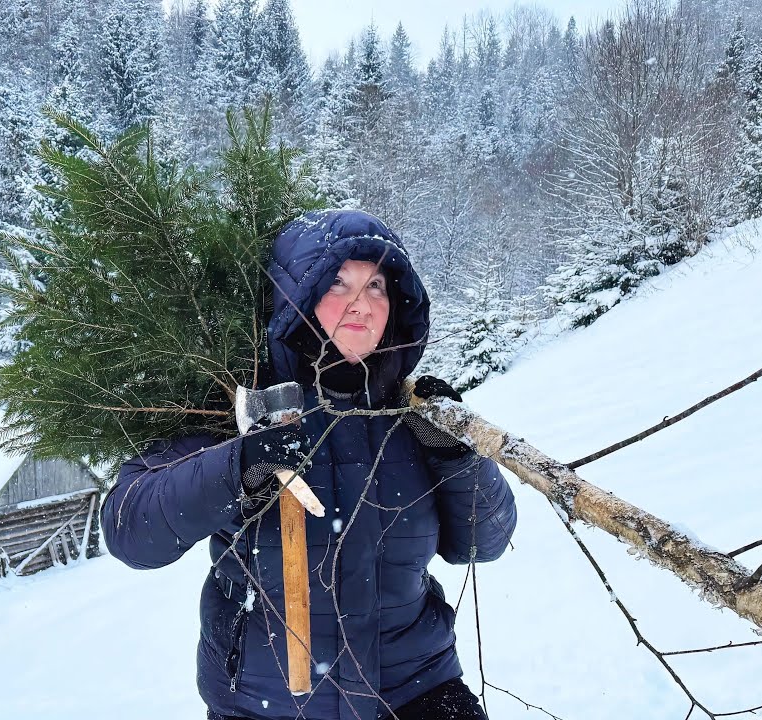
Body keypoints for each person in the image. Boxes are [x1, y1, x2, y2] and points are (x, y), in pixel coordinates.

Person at [101, 209, 518, 720]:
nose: (361, 305)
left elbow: (484, 543)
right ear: (297, 296)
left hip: (417, 689)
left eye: (378, 287)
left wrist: (457, 456)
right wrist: (238, 467)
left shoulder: (412, 414)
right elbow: (129, 530)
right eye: (337, 283)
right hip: (266, 702)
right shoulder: (240, 405)